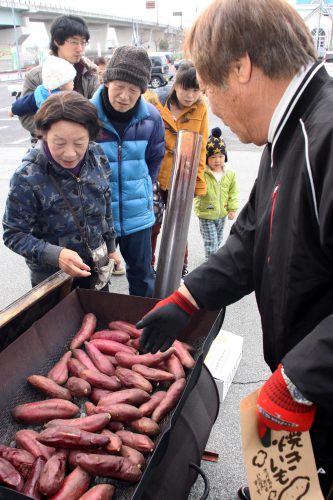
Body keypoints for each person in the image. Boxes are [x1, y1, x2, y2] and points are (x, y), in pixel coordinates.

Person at [136, 0, 333, 498]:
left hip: (317, 388)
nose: (211, 104)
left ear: (241, 67)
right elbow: (249, 237)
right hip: (295, 383)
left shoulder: (327, 134)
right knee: (279, 488)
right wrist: (188, 298)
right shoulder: (285, 134)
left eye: (208, 84)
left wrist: (300, 380)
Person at [3, 91, 117, 290]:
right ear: (44, 133)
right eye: (60, 143)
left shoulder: (97, 155)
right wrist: (55, 255)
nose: (70, 153)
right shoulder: (27, 176)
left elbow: (105, 201)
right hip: (52, 278)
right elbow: (13, 233)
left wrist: (111, 247)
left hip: (96, 268)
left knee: (99, 319)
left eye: (80, 143)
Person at [91, 45, 165, 297]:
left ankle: (143, 332)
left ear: (142, 91)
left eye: (133, 90)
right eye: (119, 87)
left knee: (143, 276)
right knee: (97, 280)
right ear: (107, 81)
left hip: (137, 216)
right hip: (98, 218)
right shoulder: (87, 116)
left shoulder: (152, 118)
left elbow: (155, 158)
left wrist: (142, 186)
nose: (124, 95)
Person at [145, 63, 209, 276]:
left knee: (178, 227)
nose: (190, 95)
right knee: (152, 225)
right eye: (185, 88)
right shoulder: (155, 102)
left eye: (196, 90)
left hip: (183, 177)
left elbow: (202, 148)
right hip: (156, 174)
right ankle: (149, 267)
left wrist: (197, 181)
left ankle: (179, 270)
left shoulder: (201, 108)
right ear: (175, 84)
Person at [19, 15, 99, 136]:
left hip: (84, 142)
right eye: (74, 42)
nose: (80, 49)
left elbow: (97, 111)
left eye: (83, 42)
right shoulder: (36, 76)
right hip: (50, 146)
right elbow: (26, 117)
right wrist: (55, 134)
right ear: (57, 41)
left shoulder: (89, 73)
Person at [194, 127, 239, 260]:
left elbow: (233, 191)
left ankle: (212, 262)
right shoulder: (203, 173)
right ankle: (211, 266)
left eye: (220, 156)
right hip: (206, 213)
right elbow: (195, 187)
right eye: (213, 157)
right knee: (211, 243)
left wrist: (232, 208)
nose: (217, 160)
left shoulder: (229, 173)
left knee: (218, 241)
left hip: (222, 213)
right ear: (206, 158)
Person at [8, 56, 76, 117]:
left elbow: (22, 104)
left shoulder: (40, 93)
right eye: (71, 80)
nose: (73, 83)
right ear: (61, 84)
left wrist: (12, 110)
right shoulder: (67, 99)